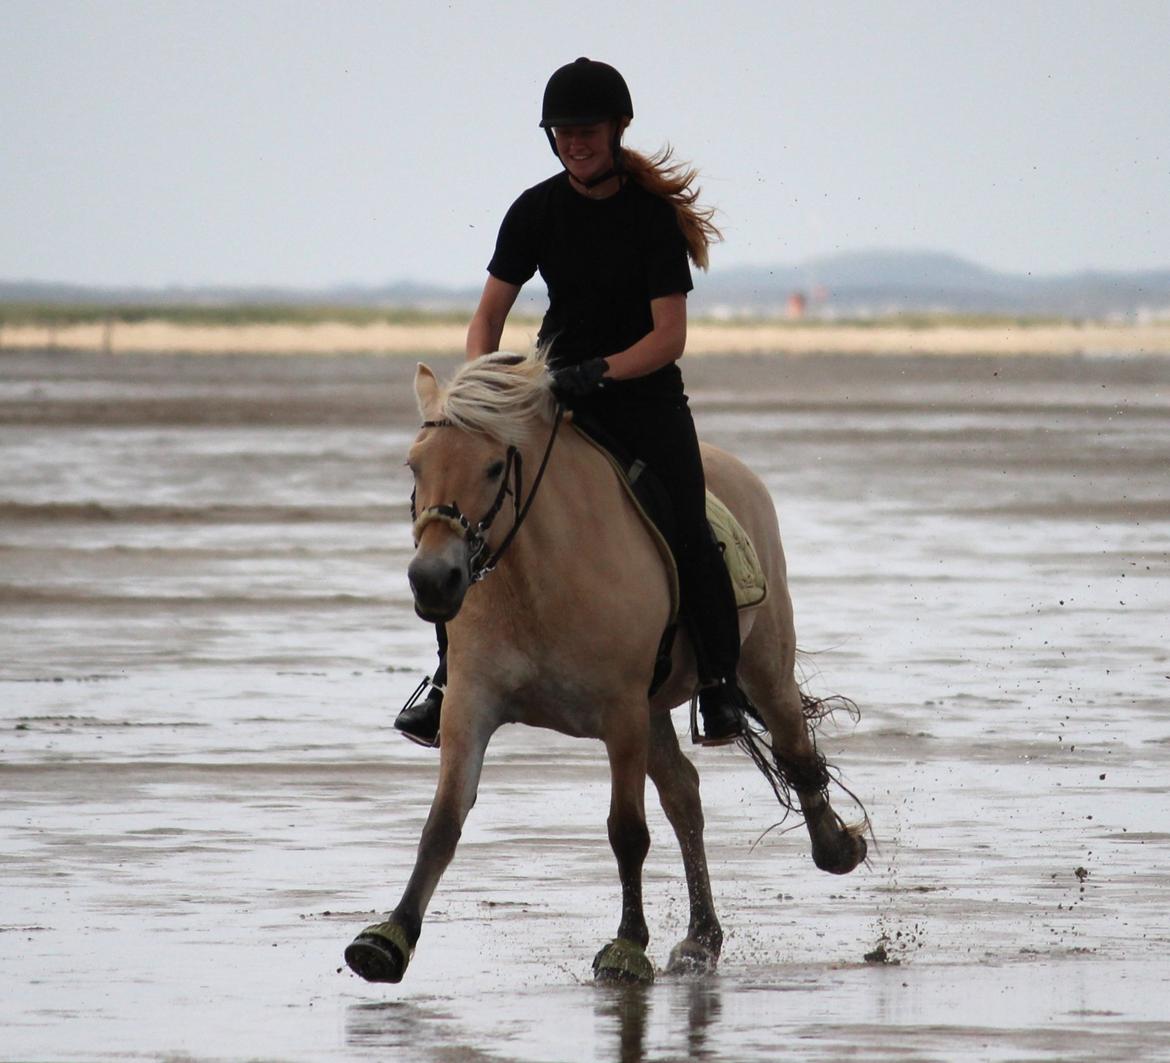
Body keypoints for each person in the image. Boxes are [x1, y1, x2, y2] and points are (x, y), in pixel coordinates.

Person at [395, 56, 750, 748]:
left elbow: (669, 336)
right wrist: (483, 393)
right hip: (552, 396)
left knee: (689, 527)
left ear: (617, 129)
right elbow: (486, 319)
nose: (573, 141)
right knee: (461, 517)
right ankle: (446, 677)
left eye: (585, 130)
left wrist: (603, 371)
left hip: (644, 401)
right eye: (561, 131)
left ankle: (719, 684)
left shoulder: (650, 218)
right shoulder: (534, 210)